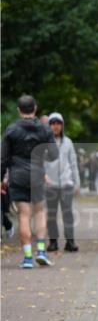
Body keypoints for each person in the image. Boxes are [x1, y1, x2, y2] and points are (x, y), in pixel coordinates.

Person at [1, 95, 58, 268]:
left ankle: (27, 257)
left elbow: (3, 158)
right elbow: (54, 154)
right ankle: (41, 251)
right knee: (39, 213)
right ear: (35, 108)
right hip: (37, 174)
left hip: (18, 175)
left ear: (19, 110)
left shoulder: (11, 130)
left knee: (23, 215)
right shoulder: (44, 129)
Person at [43, 112, 81, 252]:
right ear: (49, 126)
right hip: (50, 184)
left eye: (58, 123)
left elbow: (73, 163)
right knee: (51, 214)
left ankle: (70, 242)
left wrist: (77, 183)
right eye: (53, 123)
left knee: (68, 213)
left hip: (66, 183)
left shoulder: (68, 142)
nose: (56, 126)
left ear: (62, 125)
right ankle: (53, 242)